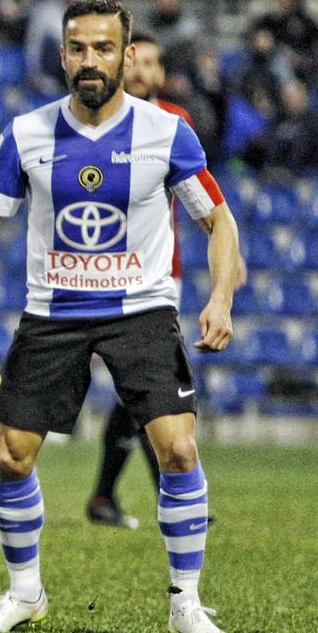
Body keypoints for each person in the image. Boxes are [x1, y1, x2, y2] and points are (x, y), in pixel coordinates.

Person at [0, 0, 244, 633]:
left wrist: (220, 296)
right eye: (78, 48)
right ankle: (25, 593)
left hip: (141, 309)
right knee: (10, 457)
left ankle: (185, 602)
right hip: (53, 311)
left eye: (103, 48)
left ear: (126, 55)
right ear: (62, 55)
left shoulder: (166, 132)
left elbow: (217, 220)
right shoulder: (27, 132)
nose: (90, 60)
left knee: (179, 448)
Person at [86, 31, 198, 529]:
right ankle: (159, 493)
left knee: (141, 390)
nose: (140, 70)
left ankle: (110, 496)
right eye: (134, 60)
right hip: (112, 271)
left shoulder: (176, 122)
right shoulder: (99, 120)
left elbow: (201, 194)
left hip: (161, 272)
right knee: (144, 388)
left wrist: (226, 251)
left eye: (150, 62)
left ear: (161, 73)